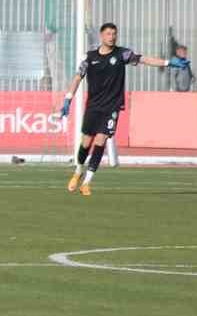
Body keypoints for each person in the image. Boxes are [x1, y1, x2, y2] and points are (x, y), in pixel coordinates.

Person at [58, 23, 171, 196]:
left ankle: (87, 183)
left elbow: (143, 59)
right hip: (93, 107)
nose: (112, 36)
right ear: (102, 36)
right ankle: (78, 170)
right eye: (109, 34)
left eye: (114, 34)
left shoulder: (122, 54)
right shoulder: (90, 57)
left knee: (100, 141)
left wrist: (168, 62)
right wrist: (68, 99)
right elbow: (77, 77)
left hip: (112, 107)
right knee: (86, 143)